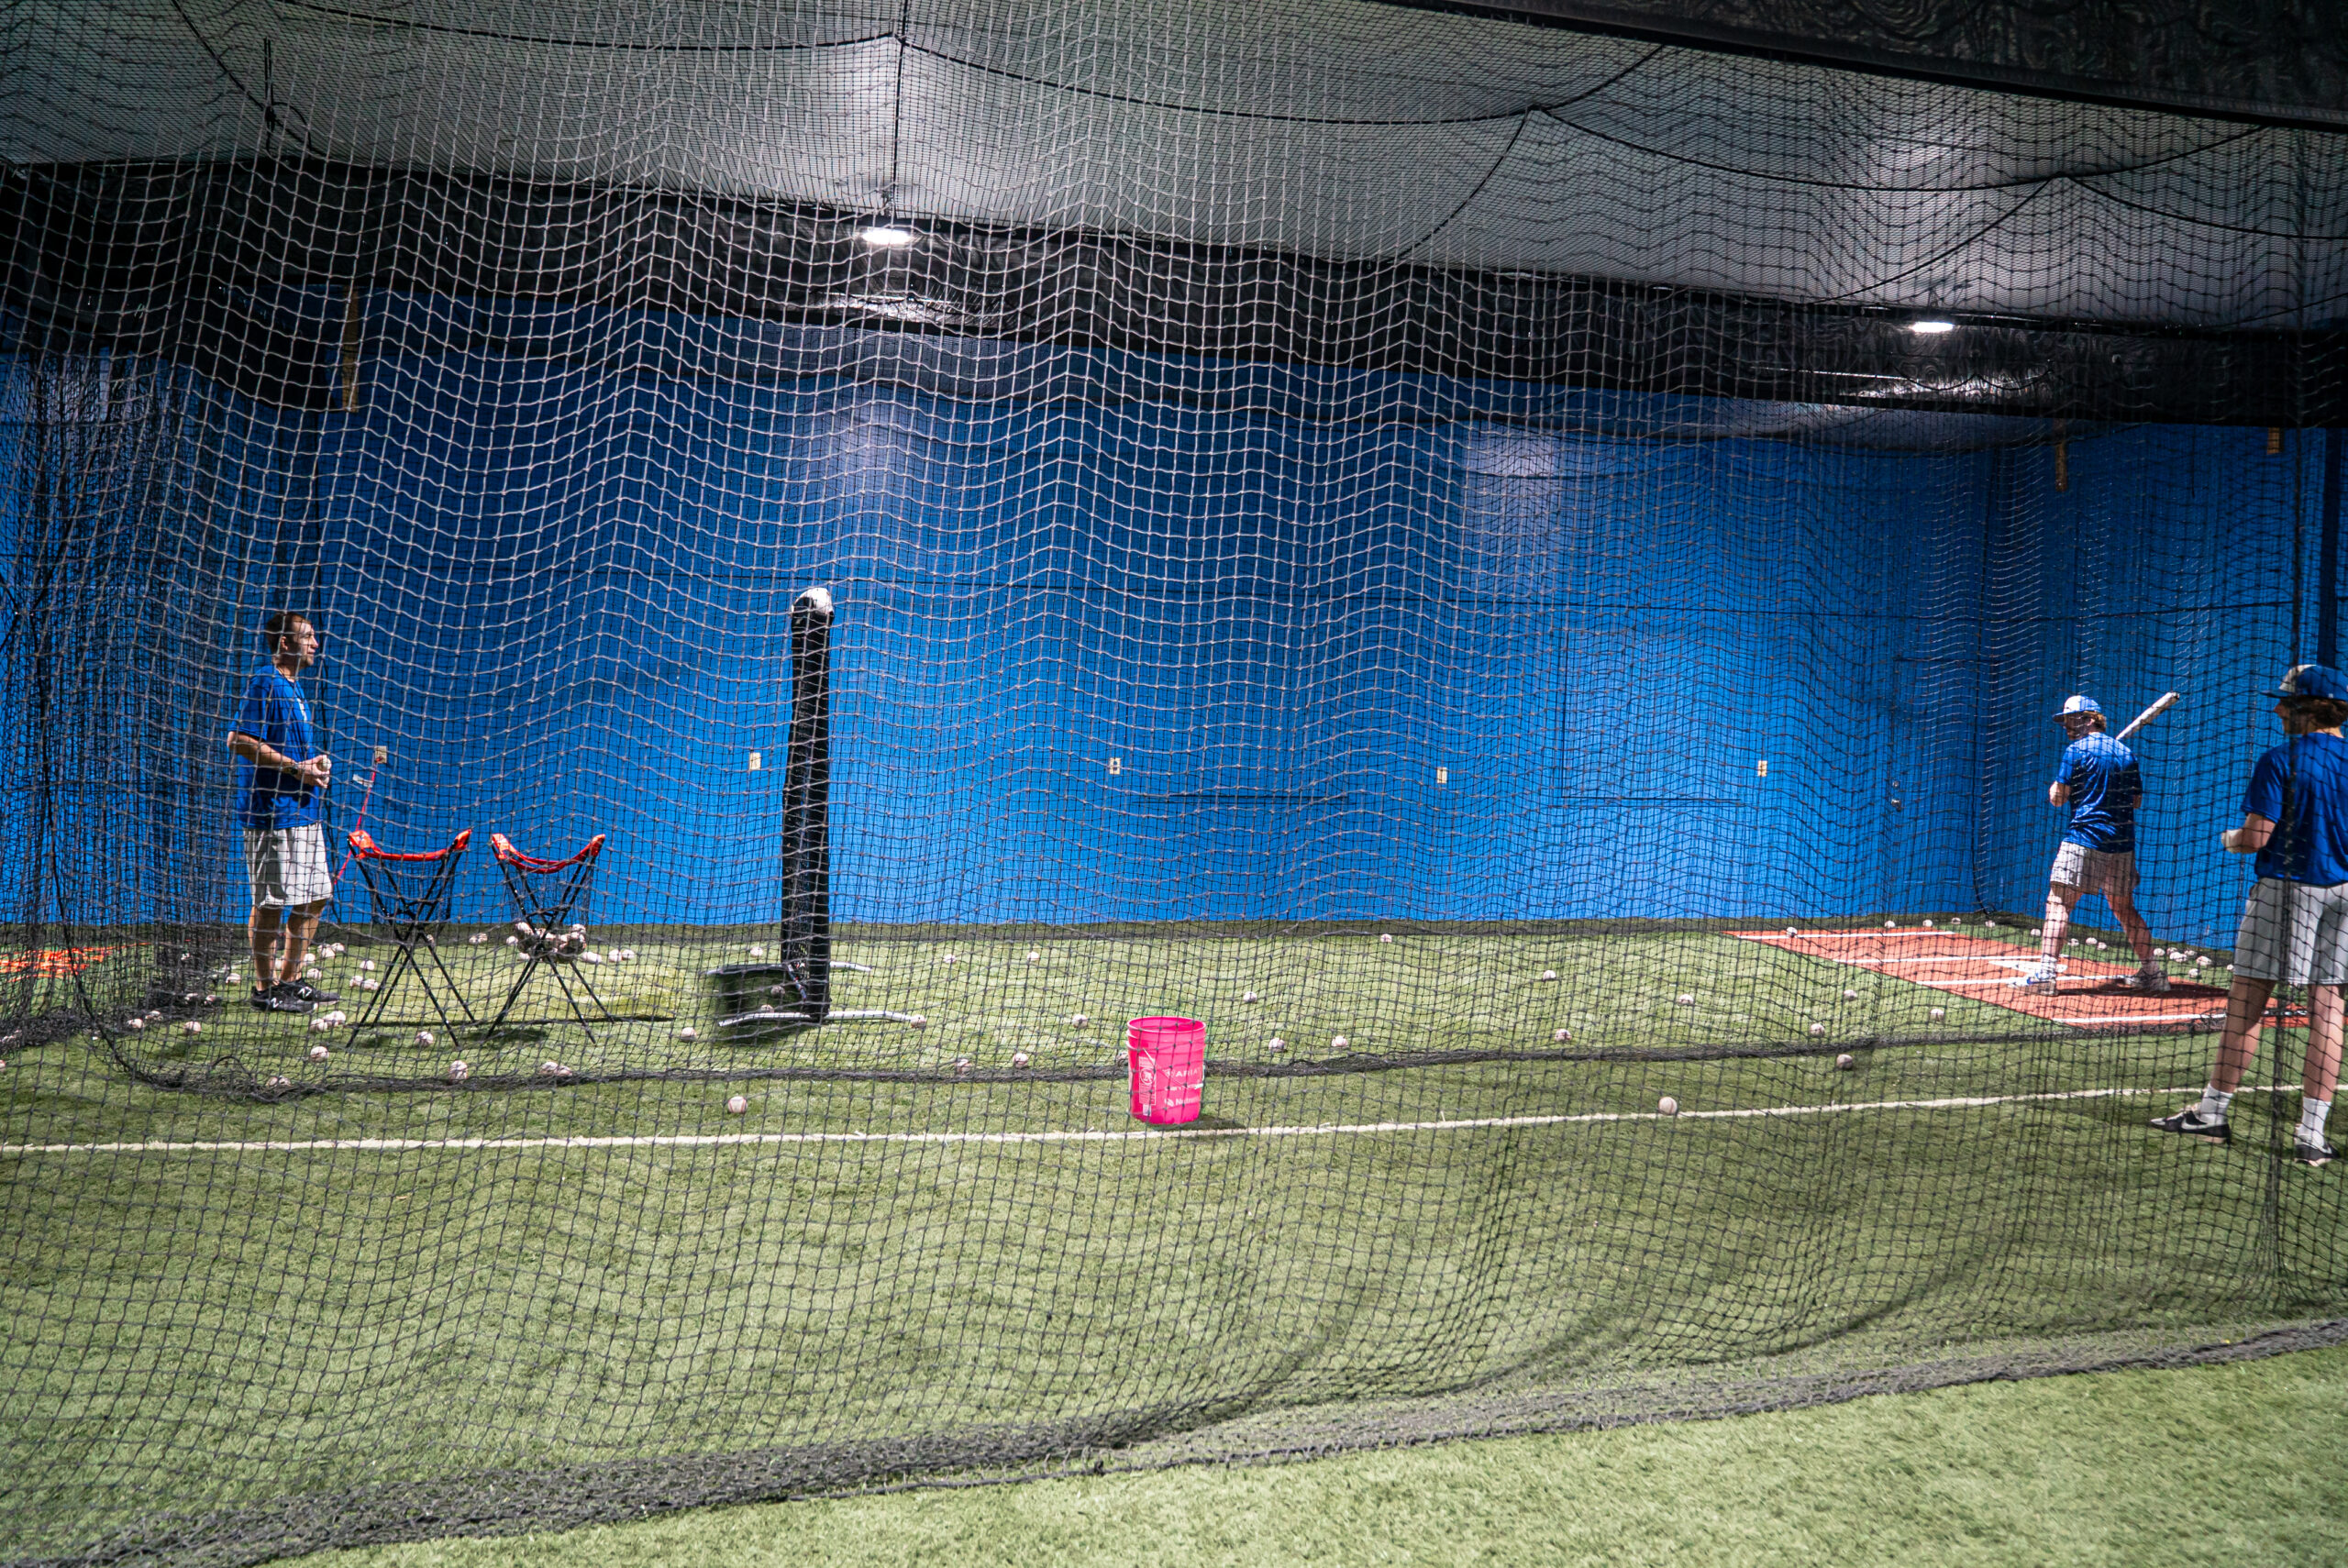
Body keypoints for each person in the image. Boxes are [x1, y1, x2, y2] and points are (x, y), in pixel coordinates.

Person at [2152, 664, 2348, 1168]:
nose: (2279, 710)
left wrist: (2230, 840)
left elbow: (2257, 838)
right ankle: (2311, 1136)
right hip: (2344, 893)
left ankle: (2212, 1114)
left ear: (2310, 708)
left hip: (2287, 891)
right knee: (2328, 1008)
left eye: (2287, 703)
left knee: (2247, 1003)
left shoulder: (2280, 760)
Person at [226, 611, 342, 1015]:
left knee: (316, 897)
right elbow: (238, 740)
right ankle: (264, 989)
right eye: (307, 638)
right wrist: (296, 769)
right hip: (271, 813)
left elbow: (288, 748)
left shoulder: (295, 689)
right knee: (272, 902)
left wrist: (312, 764)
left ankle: (291, 982)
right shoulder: (267, 682)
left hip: (302, 811)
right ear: (285, 644)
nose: (315, 644)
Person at [2014, 695, 2167, 992]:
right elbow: (2135, 801)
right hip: (2121, 844)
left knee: (2058, 903)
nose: (2067, 726)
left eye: (2072, 719)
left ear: (2091, 719)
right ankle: (2153, 974)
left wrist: (2064, 788)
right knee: (2124, 908)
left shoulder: (2076, 752)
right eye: (2065, 721)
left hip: (2085, 838)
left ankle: (2045, 975)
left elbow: (2057, 799)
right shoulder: (2125, 753)